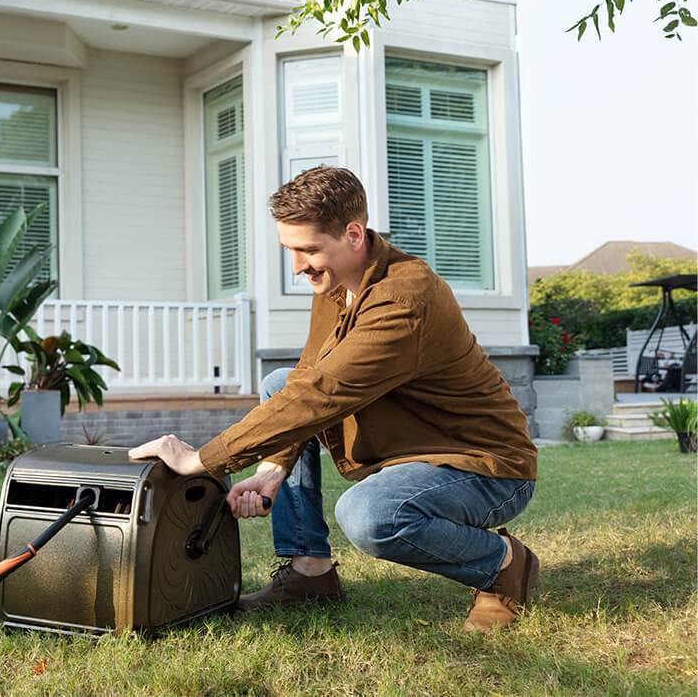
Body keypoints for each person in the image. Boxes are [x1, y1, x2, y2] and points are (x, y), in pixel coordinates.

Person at [128, 166, 538, 631]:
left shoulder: (404, 298)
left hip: (484, 468)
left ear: (353, 234)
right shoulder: (339, 282)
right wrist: (272, 468)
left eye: (308, 250)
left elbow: (325, 394)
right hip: (414, 456)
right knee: (280, 383)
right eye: (291, 250)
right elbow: (307, 378)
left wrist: (203, 459)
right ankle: (309, 573)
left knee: (370, 515)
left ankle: (502, 564)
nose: (298, 266)